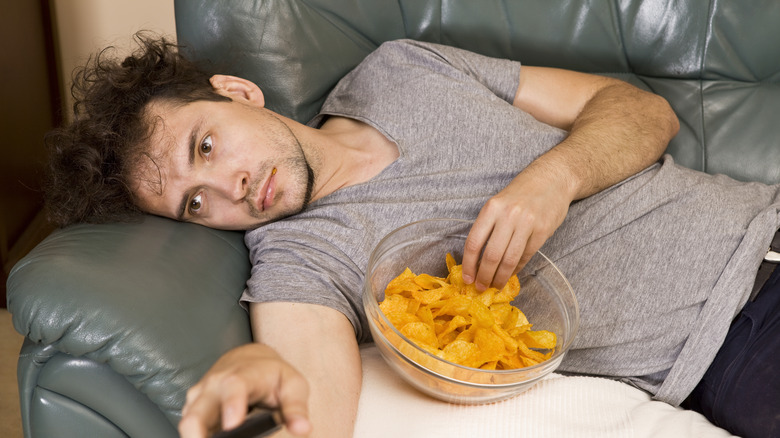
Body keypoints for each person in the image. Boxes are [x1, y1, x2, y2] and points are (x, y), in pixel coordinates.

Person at [44, 34, 779, 438]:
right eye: (194, 205)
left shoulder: (401, 68)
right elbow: (314, 406)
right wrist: (258, 385)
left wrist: (552, 178)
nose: (226, 189)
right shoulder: (299, 259)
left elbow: (641, 111)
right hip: (738, 348)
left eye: (206, 148)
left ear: (238, 93)